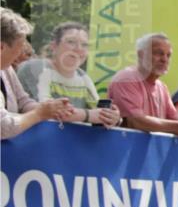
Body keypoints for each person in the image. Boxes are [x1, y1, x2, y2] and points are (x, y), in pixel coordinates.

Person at [17, 21, 121, 128]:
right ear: (54, 46)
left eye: (84, 45)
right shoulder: (35, 68)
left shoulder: (83, 77)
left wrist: (113, 118)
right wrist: (88, 115)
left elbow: (99, 112)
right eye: (71, 42)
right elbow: (47, 112)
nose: (78, 49)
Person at [1, 8, 75, 139]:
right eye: (19, 47)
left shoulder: (5, 68)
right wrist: (39, 114)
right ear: (1, 47)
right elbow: (3, 126)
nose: (20, 54)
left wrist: (50, 109)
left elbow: (22, 101)